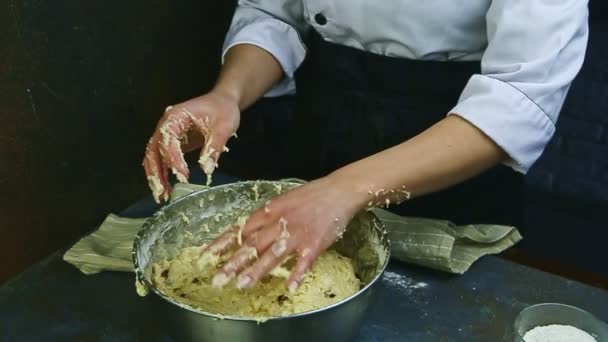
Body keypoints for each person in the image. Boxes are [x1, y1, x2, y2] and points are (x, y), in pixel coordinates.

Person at [142, 1, 589, 292]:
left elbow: (517, 97)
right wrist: (229, 94)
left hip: (449, 154)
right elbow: (273, 14)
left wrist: (341, 191)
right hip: (325, 122)